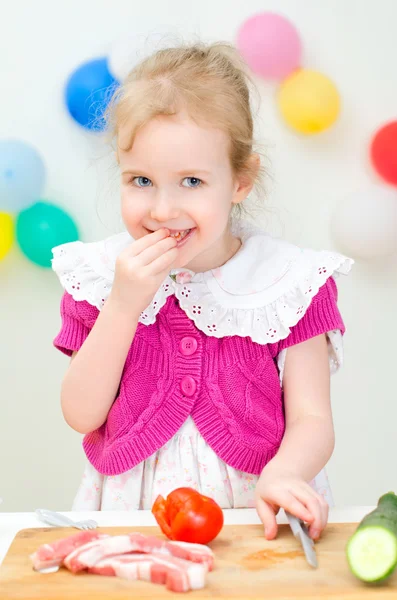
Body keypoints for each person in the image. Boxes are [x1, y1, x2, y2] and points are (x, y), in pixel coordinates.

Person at [52, 42, 353, 541]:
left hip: (257, 509)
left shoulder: (291, 282)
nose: (163, 209)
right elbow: (81, 414)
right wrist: (124, 306)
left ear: (240, 180)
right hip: (135, 512)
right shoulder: (100, 277)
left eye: (191, 181)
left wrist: (286, 472)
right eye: (141, 180)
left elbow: (313, 417)